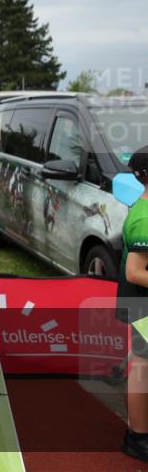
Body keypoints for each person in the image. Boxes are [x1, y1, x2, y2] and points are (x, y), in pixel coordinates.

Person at [116, 145, 148, 463]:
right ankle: (137, 437)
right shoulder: (144, 217)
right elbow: (135, 272)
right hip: (143, 302)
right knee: (143, 366)